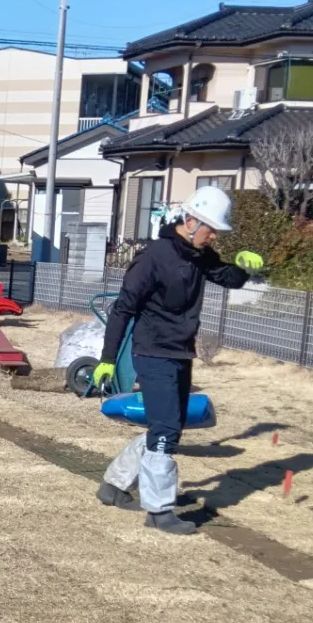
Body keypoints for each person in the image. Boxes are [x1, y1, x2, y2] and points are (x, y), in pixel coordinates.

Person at [93, 183, 263, 535]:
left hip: (180, 351)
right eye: (210, 229)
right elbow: (123, 309)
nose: (214, 236)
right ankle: (159, 510)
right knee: (167, 430)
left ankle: (113, 487)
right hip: (153, 352)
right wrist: (107, 359)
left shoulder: (198, 255)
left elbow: (225, 277)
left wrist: (244, 268)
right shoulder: (154, 257)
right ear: (190, 221)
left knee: (165, 425)